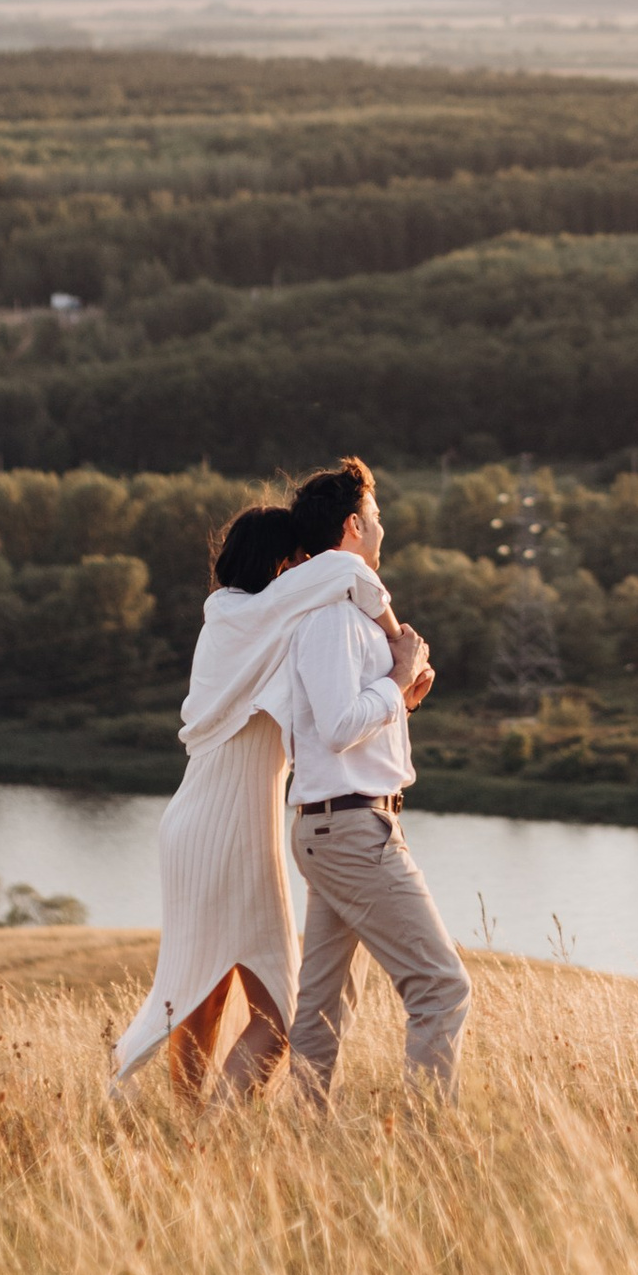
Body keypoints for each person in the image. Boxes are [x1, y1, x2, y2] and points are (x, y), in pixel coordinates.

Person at [112, 496, 326, 1102]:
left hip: (211, 825)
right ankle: (212, 1134)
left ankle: (199, 1130)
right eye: (302, 561)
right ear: (284, 567)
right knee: (270, 1007)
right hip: (226, 830)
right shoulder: (247, 621)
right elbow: (349, 575)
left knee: (208, 993)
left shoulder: (241, 623)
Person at [278, 455, 472, 1106]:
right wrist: (398, 676)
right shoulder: (333, 617)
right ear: (354, 527)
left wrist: (404, 695)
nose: (385, 528)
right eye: (379, 517)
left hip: (341, 822)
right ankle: (425, 1147)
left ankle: (299, 1144)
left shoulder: (352, 612)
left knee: (324, 1006)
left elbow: (349, 727)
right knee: (442, 987)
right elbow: (336, 726)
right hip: (351, 827)